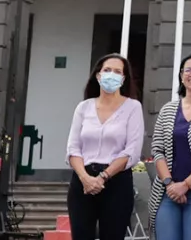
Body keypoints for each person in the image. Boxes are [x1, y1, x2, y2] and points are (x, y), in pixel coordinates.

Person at [66, 52, 147, 240]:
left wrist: (102, 177)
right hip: (82, 181)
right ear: (98, 75)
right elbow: (73, 148)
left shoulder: (133, 107)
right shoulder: (84, 107)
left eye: (117, 71)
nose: (112, 74)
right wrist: (85, 178)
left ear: (124, 78)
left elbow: (132, 151)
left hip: (116, 181)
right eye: (107, 70)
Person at [152, 51, 191, 240]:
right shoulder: (168, 109)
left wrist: (186, 185)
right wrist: (170, 184)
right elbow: (157, 150)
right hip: (168, 193)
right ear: (181, 76)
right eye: (187, 70)